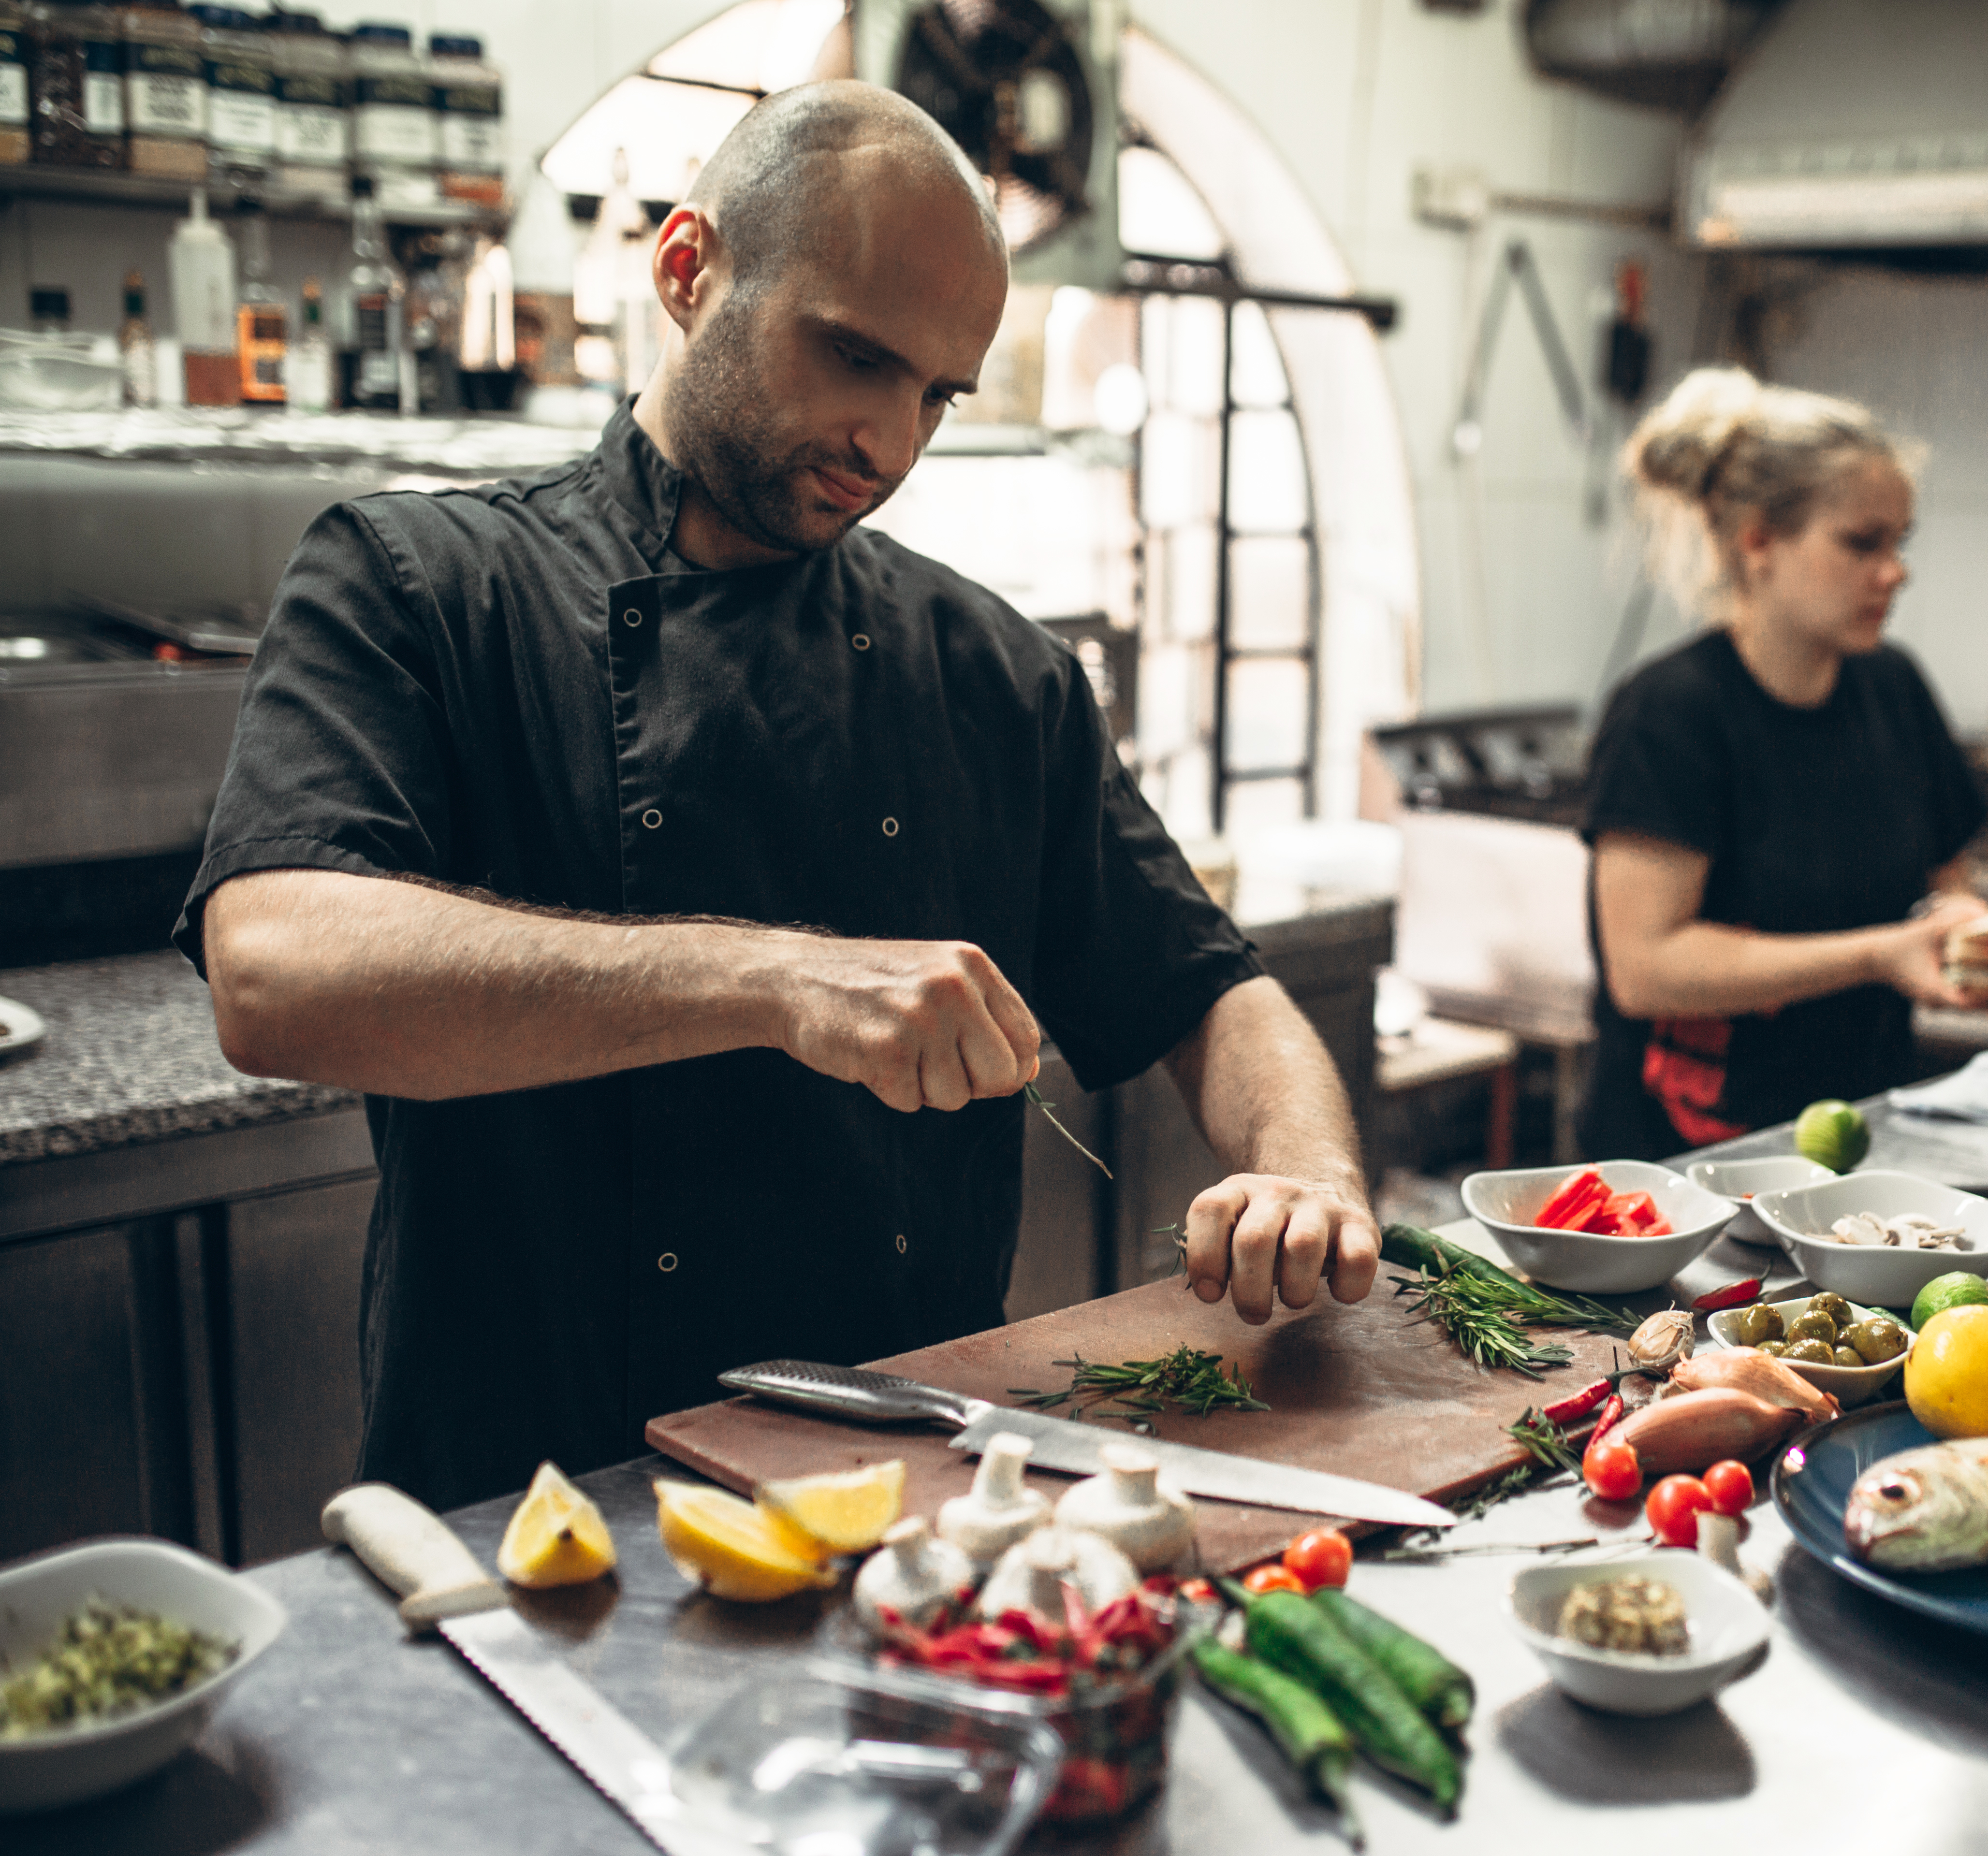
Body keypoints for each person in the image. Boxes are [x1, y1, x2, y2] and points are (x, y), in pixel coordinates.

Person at [180, 82, 1375, 1513]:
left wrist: (1308, 1166)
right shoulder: (422, 585)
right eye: (855, 356)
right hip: (533, 1504)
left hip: (903, 1500)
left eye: (935, 393)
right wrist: (775, 979)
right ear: (689, 270)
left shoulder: (997, 673)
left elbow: (1211, 990)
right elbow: (275, 976)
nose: (890, 441)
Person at [1580, 367, 1988, 1160]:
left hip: (1860, 1142)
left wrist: (1969, 938)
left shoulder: (1894, 689)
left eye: (1899, 543)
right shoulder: (1673, 713)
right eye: (1862, 543)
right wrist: (1879, 955)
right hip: (1688, 1166)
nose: (1895, 572)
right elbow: (1646, 967)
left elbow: (1949, 878)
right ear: (1761, 541)